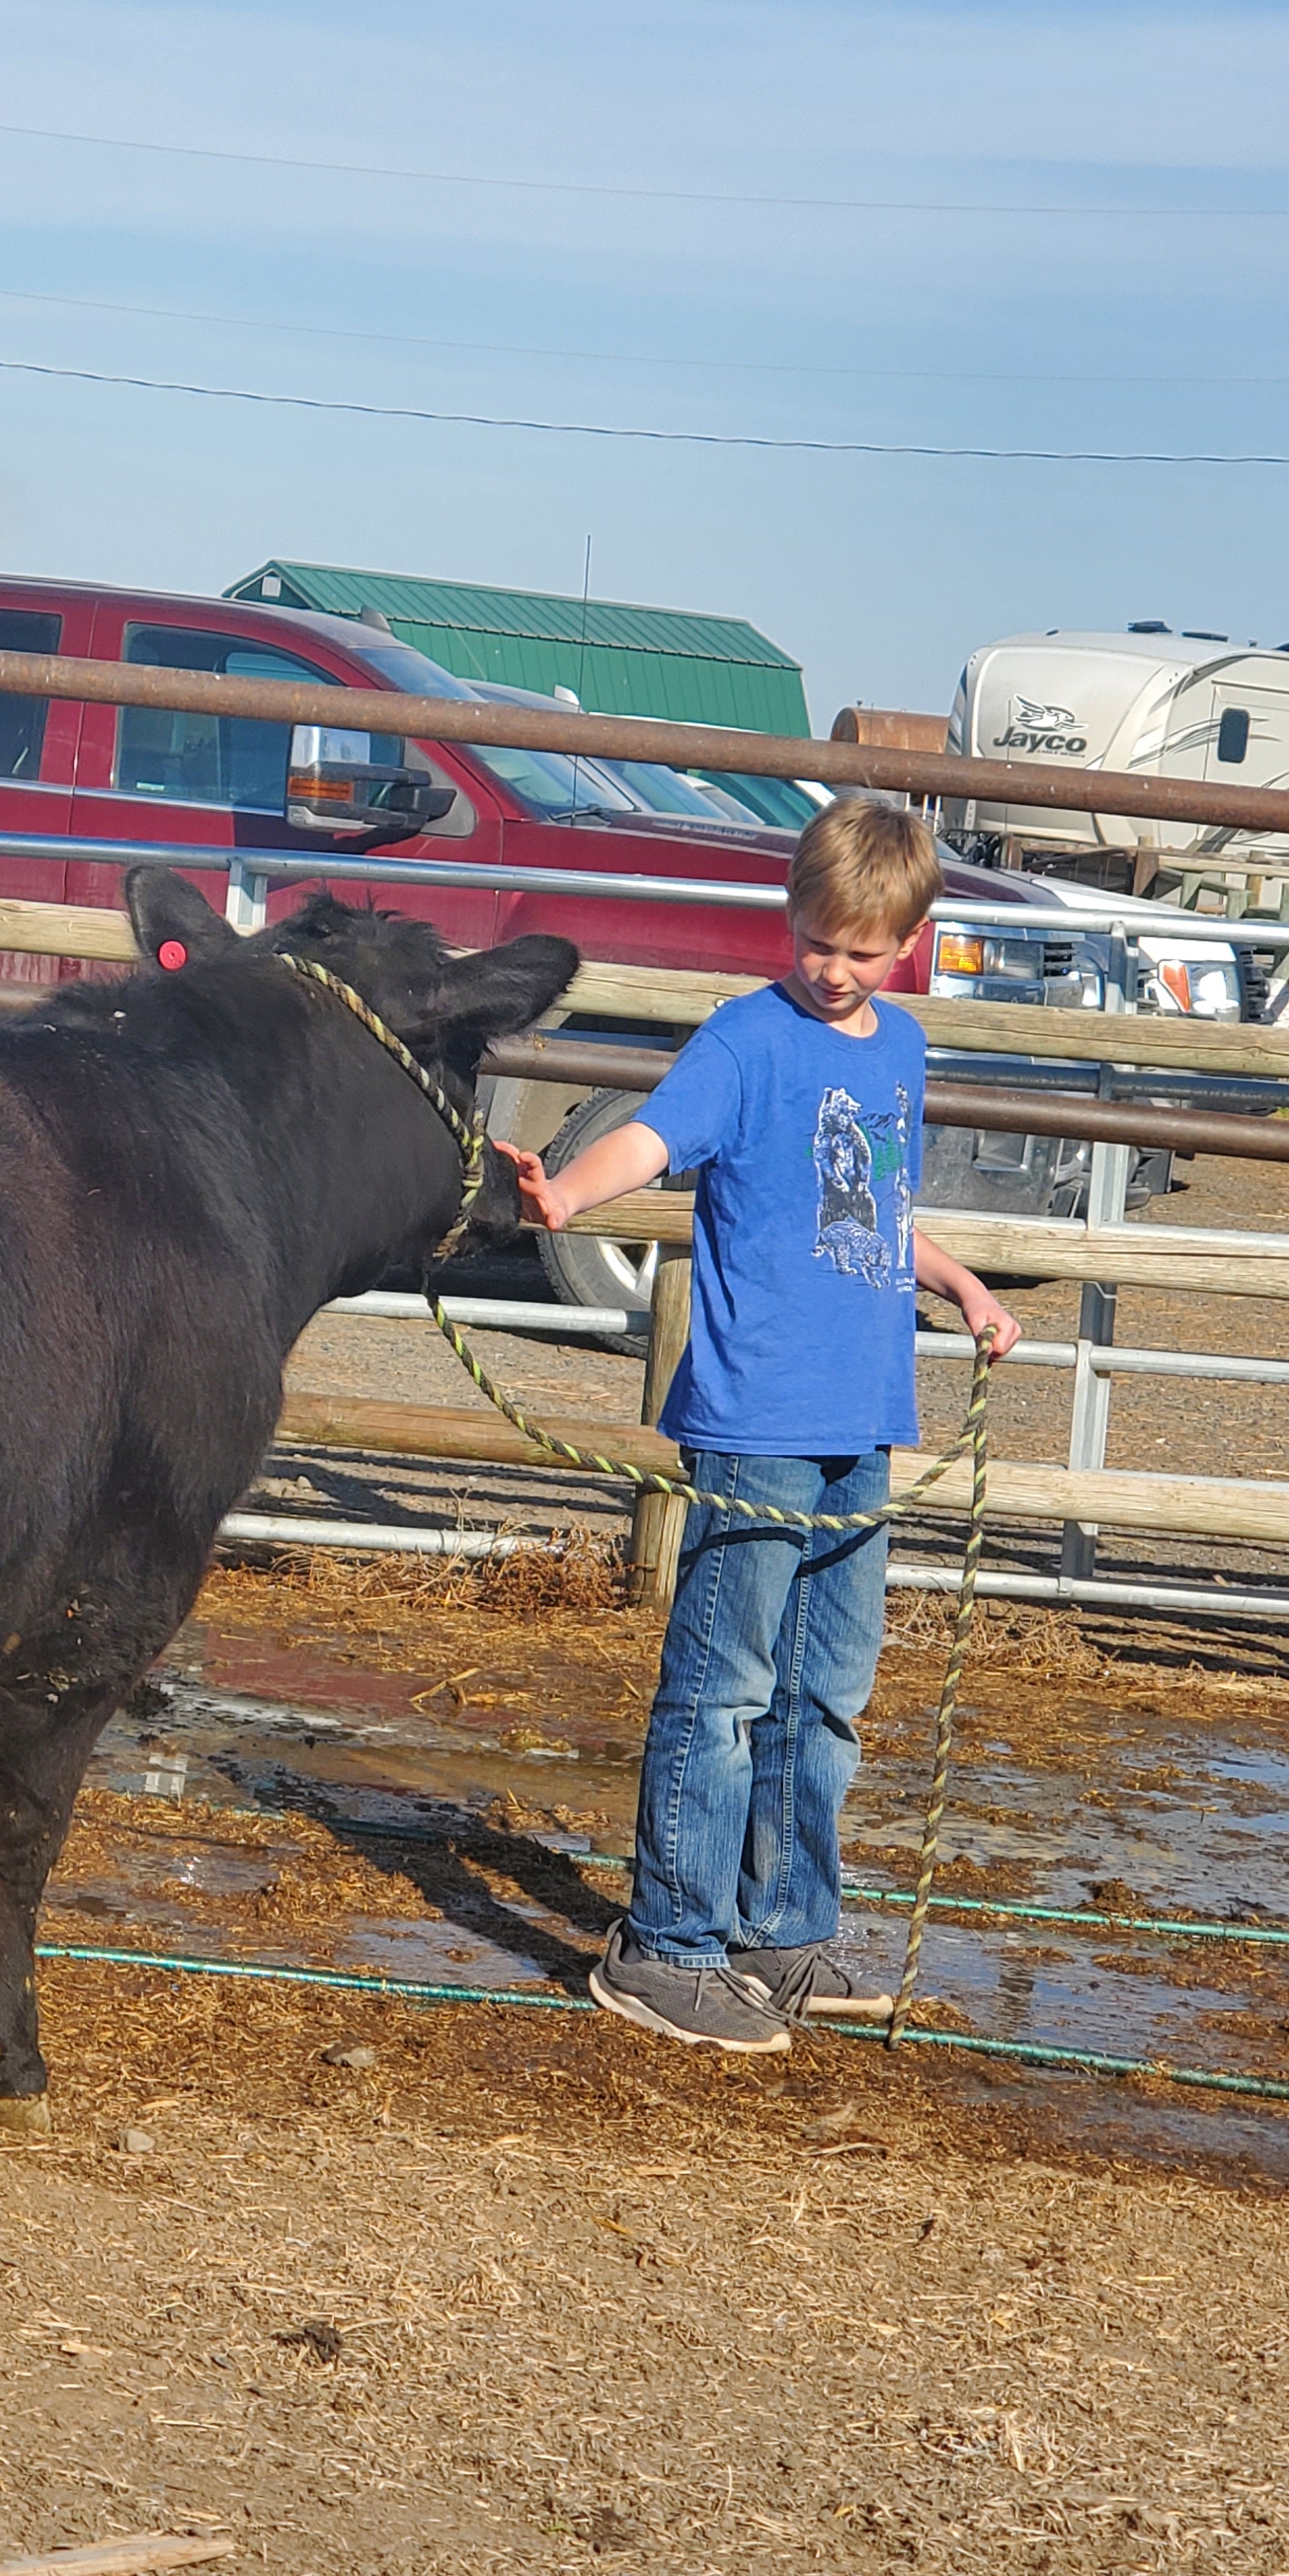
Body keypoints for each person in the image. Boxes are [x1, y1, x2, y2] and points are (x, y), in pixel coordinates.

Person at [494, 797, 1021, 2055]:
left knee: (827, 1689)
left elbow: (870, 1209)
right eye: (815, 941)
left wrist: (958, 1283)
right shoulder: (744, 1039)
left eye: (861, 951)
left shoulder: (899, 1049)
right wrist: (569, 1193)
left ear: (909, 943)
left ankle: (782, 1926)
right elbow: (653, 1136)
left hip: (862, 1413)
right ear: (789, 916)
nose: (832, 970)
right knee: (725, 1683)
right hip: (757, 1414)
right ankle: (667, 1941)